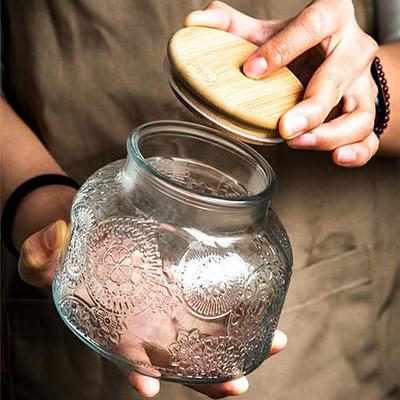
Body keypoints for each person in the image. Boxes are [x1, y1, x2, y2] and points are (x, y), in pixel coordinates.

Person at [1, 1, 399, 399]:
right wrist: (44, 204)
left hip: (333, 321)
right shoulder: (99, 200)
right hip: (72, 358)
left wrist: (358, 93)